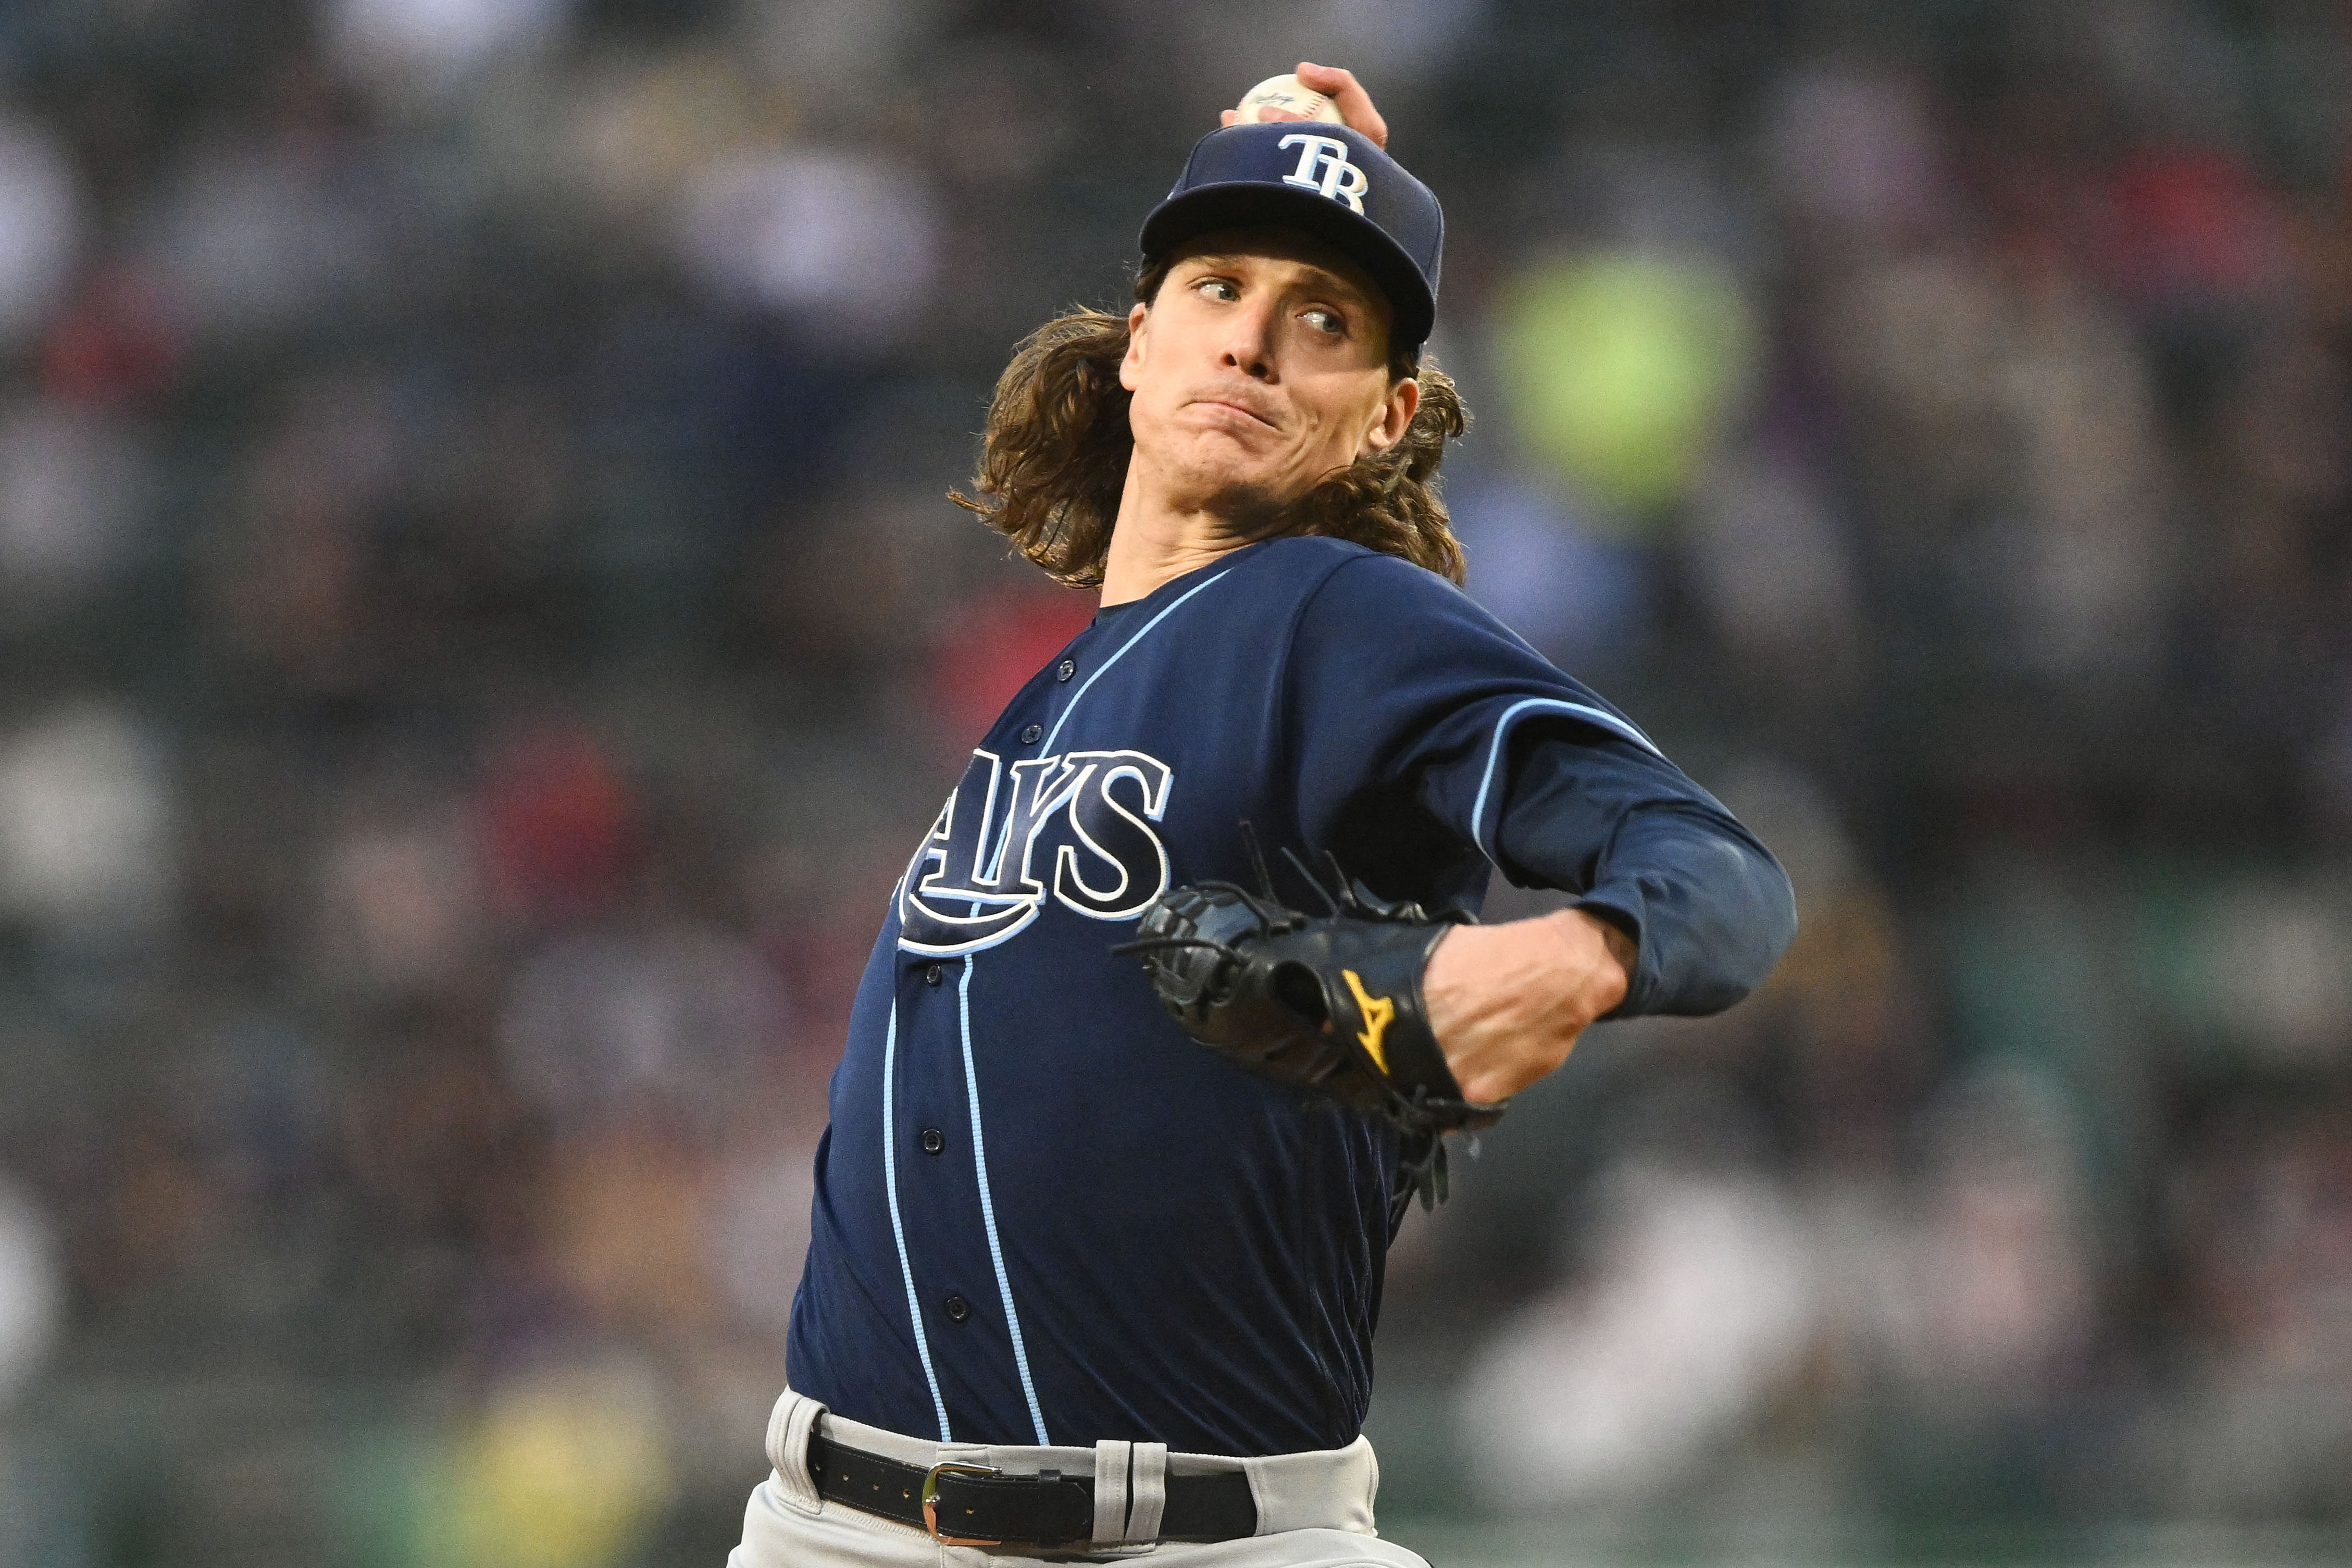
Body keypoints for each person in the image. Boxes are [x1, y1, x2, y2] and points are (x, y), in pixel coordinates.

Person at [729, 64, 1797, 1566]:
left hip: (1196, 1539)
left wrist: (1575, 955)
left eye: (1324, 319)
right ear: (1133, 342)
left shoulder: (1339, 620)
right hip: (828, 1526)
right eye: (1218, 283)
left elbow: (1721, 876)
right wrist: (1284, 165)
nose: (1250, 336)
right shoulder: (1066, 687)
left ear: (1388, 415)